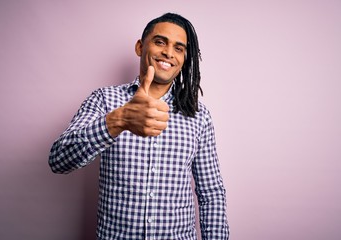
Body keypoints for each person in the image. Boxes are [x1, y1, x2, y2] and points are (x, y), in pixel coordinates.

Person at [49, 12, 229, 240]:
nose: (168, 53)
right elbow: (59, 160)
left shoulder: (198, 115)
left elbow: (211, 193)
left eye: (179, 48)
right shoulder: (104, 100)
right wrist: (119, 120)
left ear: (184, 59)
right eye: (160, 42)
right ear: (139, 47)